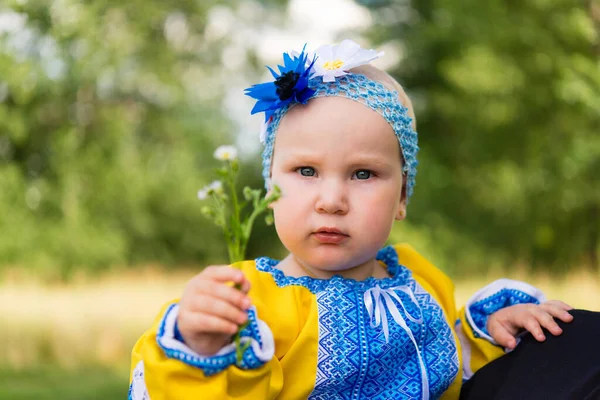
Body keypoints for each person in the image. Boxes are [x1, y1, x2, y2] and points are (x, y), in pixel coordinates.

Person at [128, 39, 574, 400]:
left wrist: (486, 338)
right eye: (306, 171)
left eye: (363, 174)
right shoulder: (254, 305)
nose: (332, 200)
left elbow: (446, 367)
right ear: (270, 189)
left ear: (401, 196)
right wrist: (201, 348)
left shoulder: (421, 280)